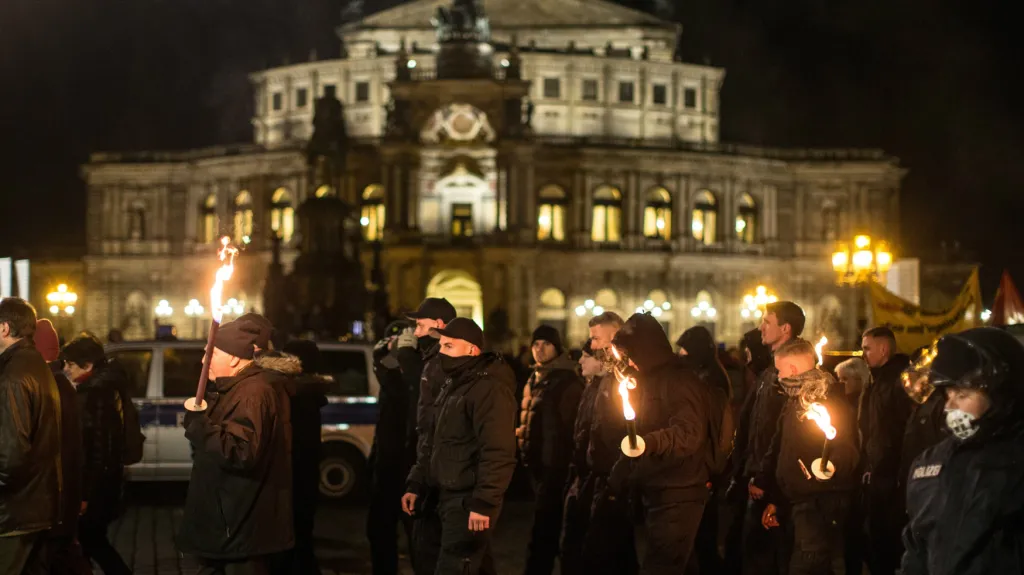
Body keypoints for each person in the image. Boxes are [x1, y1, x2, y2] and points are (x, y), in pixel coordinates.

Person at [900, 327, 1024, 574]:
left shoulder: (1016, 463)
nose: (949, 407)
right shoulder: (929, 464)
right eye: (948, 394)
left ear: (1001, 397)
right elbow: (916, 550)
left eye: (963, 395)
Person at [177, 316, 295, 574]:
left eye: (211, 353)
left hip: (238, 528)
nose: (203, 361)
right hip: (228, 527)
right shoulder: (236, 389)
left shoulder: (253, 393)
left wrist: (199, 426)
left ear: (232, 357)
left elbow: (241, 451)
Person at [400, 318, 518, 573]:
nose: (442, 352)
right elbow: (433, 440)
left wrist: (484, 503)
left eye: (449, 346)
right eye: (441, 345)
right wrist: (416, 482)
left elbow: (498, 451)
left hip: (466, 501)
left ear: (472, 350)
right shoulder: (453, 384)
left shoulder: (489, 389)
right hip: (441, 495)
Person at [607, 313, 712, 574]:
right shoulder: (647, 380)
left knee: (661, 566)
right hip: (659, 486)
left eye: (631, 354)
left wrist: (649, 443)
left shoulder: (679, 380)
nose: (629, 361)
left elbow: (689, 433)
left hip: (679, 489)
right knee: (680, 564)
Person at [756, 339, 859, 575]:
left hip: (819, 502)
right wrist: (776, 498)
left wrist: (831, 466)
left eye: (780, 370)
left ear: (792, 370)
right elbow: (783, 449)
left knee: (808, 566)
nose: (778, 376)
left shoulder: (826, 399)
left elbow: (846, 448)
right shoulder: (796, 400)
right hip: (796, 500)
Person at [740, 301, 805, 575]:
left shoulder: (794, 374)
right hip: (758, 477)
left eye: (767, 322)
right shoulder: (769, 372)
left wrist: (768, 482)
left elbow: (785, 437)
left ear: (785, 328)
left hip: (775, 484)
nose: (760, 327)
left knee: (772, 557)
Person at [59, 334, 132, 575]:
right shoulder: (101, 388)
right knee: (88, 545)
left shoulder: (94, 395)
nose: (66, 369)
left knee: (92, 542)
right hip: (102, 486)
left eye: (70, 364)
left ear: (87, 366)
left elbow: (96, 450)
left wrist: (85, 496)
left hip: (95, 490)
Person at [0, 298, 62, 575]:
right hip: (34, 504)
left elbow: (10, 454)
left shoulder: (12, 376)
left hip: (13, 512)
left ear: (4, 329)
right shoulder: (34, 364)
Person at [517, 325, 583, 575]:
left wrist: (560, 467)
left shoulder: (565, 382)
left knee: (544, 536)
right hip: (537, 468)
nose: (539, 349)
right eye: (536, 344)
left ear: (557, 348)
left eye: (546, 344)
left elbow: (569, 430)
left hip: (555, 470)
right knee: (544, 532)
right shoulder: (534, 378)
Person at [401, 298, 457, 575]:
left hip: (442, 471)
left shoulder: (443, 363)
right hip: (431, 466)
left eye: (420, 324)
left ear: (439, 324)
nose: (415, 331)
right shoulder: (431, 360)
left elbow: (435, 424)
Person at [34, 320, 90, 575]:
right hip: (62, 495)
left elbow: (69, 450)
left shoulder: (51, 386)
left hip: (54, 496)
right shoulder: (61, 385)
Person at [677, 325, 733, 575]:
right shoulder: (704, 374)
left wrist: (711, 469)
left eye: (684, 351)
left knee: (703, 538)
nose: (680, 356)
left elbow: (712, 429)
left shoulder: (710, 381)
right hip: (703, 468)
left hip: (705, 469)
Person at [273, 340, 329, 575]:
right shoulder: (310, 393)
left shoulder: (297, 396)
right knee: (303, 535)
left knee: (293, 539)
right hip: (305, 474)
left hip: (293, 474)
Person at [860, 327, 912, 575]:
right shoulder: (879, 379)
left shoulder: (899, 381)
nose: (863, 354)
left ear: (884, 349)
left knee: (889, 544)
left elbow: (901, 431)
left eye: (867, 348)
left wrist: (895, 473)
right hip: (880, 474)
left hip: (893, 479)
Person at [368, 320, 418, 574]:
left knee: (418, 539)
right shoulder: (391, 379)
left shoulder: (416, 376)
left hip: (410, 469)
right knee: (379, 531)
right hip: (386, 468)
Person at [835, 356, 872, 575]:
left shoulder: (865, 403)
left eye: (845, 379)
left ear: (859, 380)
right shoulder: (843, 406)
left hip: (863, 475)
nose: (841, 383)